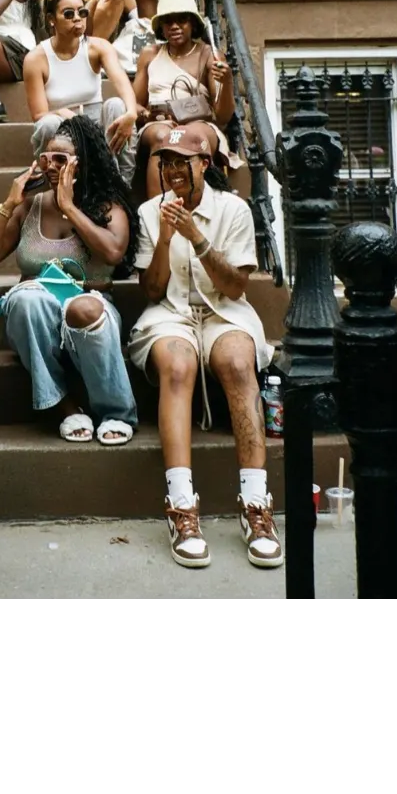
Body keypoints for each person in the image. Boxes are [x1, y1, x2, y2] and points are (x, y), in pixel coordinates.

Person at [127, 122, 279, 571]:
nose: (172, 171)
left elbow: (234, 288)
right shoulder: (149, 212)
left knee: (236, 360)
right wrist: (166, 239)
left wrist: (196, 237)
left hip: (223, 312)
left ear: (204, 164)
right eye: (165, 163)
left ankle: (256, 505)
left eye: (182, 163)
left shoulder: (233, 209)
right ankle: (182, 508)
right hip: (171, 311)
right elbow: (153, 291)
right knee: (176, 363)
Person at [0, 116, 139, 445]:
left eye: (60, 160)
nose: (49, 166)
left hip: (91, 308)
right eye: (45, 158)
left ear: (82, 162)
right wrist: (9, 204)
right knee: (23, 297)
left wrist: (68, 206)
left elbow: (113, 252)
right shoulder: (31, 205)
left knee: (85, 309)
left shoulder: (109, 206)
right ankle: (64, 408)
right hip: (37, 316)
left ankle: (116, 413)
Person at [23, 0, 139, 184]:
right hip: (63, 128)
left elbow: (121, 81)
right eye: (68, 14)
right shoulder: (36, 58)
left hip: (97, 124)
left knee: (117, 106)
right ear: (51, 19)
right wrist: (63, 113)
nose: (77, 18)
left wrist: (132, 113)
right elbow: (39, 115)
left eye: (82, 12)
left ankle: (122, 184)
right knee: (46, 124)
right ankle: (56, 184)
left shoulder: (98, 47)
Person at [131, 0, 239, 201]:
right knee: (164, 136)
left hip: (199, 122)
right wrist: (148, 115)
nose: (174, 26)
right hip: (158, 124)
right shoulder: (149, 55)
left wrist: (226, 81)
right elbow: (133, 104)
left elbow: (223, 117)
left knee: (191, 137)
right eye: (168, 21)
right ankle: (158, 214)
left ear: (193, 24)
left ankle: (195, 206)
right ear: (161, 27)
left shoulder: (210, 54)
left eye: (182, 20)